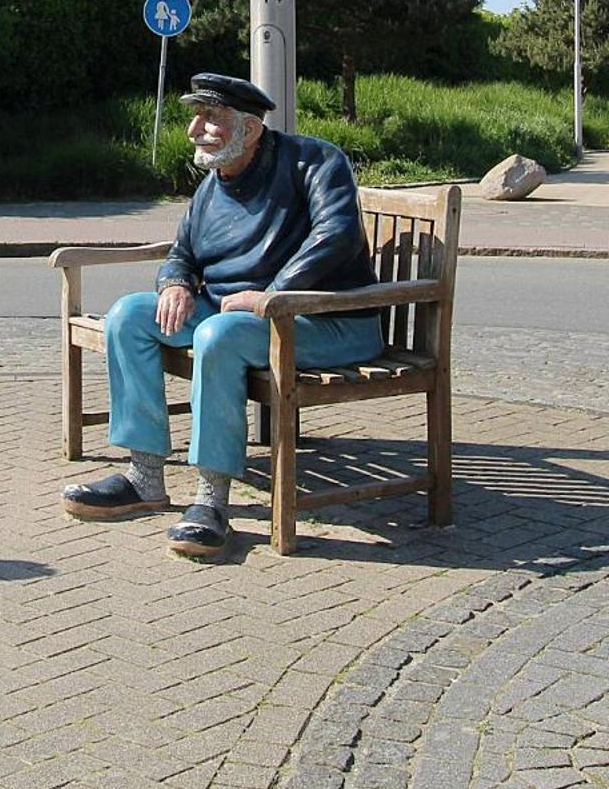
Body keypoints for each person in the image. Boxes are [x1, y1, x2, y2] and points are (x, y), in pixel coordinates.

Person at [61, 73, 380, 560]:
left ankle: (212, 500)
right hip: (238, 318)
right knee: (129, 315)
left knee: (219, 334)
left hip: (328, 318)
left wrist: (273, 294)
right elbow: (182, 253)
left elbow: (336, 235)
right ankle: (144, 477)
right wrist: (175, 284)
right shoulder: (213, 185)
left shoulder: (313, 161)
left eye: (211, 118)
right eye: (196, 116)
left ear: (250, 129)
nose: (195, 129)